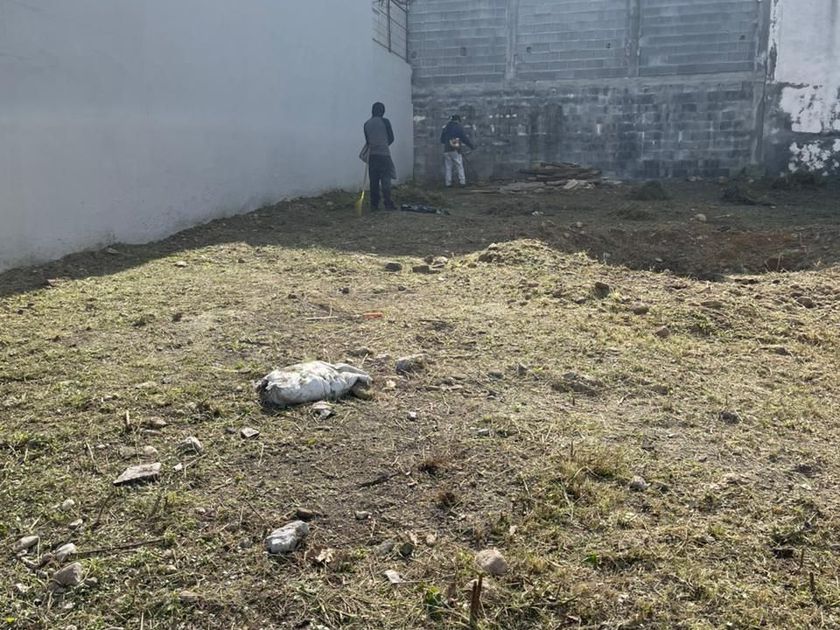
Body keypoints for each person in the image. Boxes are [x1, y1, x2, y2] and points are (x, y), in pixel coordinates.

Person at [363, 102, 396, 210]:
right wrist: (383, 144)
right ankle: (388, 203)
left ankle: (374, 205)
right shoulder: (385, 122)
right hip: (384, 155)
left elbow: (368, 141)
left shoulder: (366, 124)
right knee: (386, 179)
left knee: (374, 181)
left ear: (372, 111)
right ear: (382, 111)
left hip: (372, 156)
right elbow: (391, 138)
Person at [440, 115, 475, 187]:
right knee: (459, 165)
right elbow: (464, 138)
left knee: (448, 167)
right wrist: (471, 146)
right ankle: (462, 182)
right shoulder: (458, 127)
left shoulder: (446, 127)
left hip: (446, 150)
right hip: (455, 149)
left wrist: (448, 142)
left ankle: (448, 183)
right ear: (458, 120)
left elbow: (442, 140)